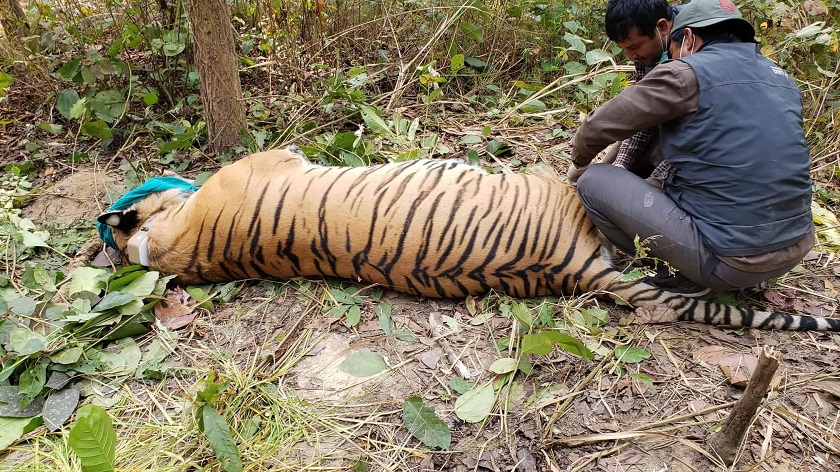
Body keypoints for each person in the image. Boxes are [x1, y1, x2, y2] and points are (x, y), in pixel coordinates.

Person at [566, 0, 815, 297]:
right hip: (794, 246)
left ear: (687, 39)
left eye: (671, 47)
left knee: (595, 182)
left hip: (732, 262)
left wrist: (580, 165)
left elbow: (596, 127)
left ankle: (685, 277)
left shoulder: (684, 73)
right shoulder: (782, 80)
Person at [582, 0, 681, 182]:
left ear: (662, 27)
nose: (630, 57)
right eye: (625, 49)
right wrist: (621, 165)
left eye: (634, 47)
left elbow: (693, 139)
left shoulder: (692, 50)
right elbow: (644, 115)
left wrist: (655, 182)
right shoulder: (648, 51)